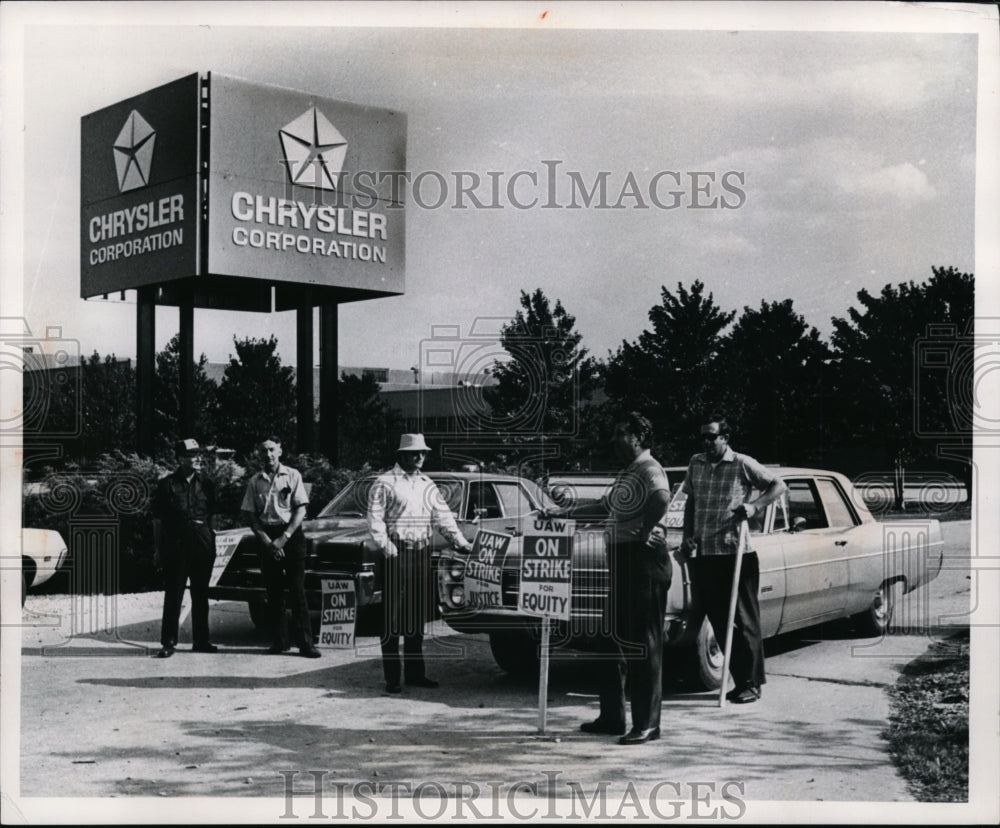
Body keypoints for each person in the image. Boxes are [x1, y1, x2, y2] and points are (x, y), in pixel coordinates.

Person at [681, 416, 787, 704]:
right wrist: (687, 535)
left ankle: (752, 683)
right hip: (705, 552)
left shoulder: (742, 462)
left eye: (712, 437)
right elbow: (691, 500)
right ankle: (741, 680)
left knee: (742, 620)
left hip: (735, 551)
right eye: (702, 437)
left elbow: (778, 485)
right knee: (719, 620)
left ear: (725, 438)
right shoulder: (696, 462)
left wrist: (754, 507)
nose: (706, 442)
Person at [581, 412, 672, 745]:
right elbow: (603, 507)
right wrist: (559, 512)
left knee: (643, 645)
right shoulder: (627, 472)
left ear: (639, 436)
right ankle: (612, 717)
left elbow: (662, 498)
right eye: (615, 432)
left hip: (643, 562)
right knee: (609, 638)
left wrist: (647, 529)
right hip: (622, 560)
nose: (616, 439)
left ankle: (647, 724)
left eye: (622, 433)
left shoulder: (649, 468)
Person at [367, 434, 473, 694]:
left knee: (415, 617)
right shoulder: (385, 483)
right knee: (392, 619)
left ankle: (415, 674)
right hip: (397, 553)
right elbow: (375, 521)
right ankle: (393, 678)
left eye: (423, 453)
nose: (420, 458)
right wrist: (390, 551)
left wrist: (461, 542)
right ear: (401, 455)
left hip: (422, 553)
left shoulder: (427, 484)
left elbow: (443, 517)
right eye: (415, 454)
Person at [240, 436, 320, 658]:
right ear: (259, 454)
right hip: (267, 536)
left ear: (280, 451)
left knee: (297, 591)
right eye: (264, 451)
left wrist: (283, 538)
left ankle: (306, 644)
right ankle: (279, 641)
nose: (268, 455)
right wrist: (267, 541)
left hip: (291, 535)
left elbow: (301, 510)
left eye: (272, 449)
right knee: (273, 593)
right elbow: (251, 516)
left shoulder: (292, 475)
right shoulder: (255, 481)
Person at [152, 438, 218, 658]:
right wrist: (158, 550)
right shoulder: (167, 485)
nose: (197, 458)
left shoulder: (207, 483)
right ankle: (169, 642)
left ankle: (202, 640)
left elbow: (213, 516)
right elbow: (158, 521)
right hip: (176, 544)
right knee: (174, 593)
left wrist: (211, 540)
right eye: (191, 455)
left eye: (198, 454)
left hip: (202, 542)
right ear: (180, 459)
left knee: (201, 593)